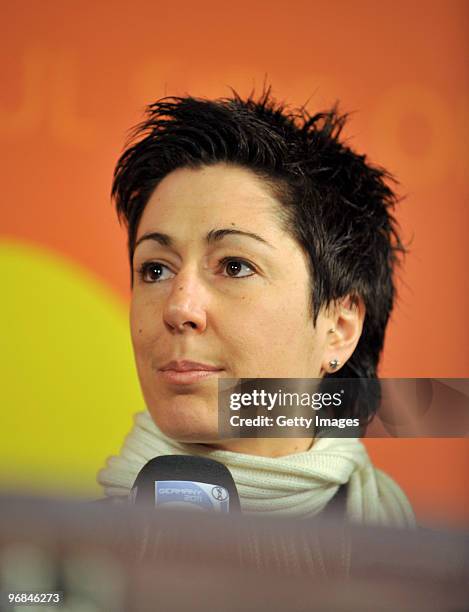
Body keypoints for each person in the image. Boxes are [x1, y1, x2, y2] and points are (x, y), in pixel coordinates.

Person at [97, 88, 415, 527]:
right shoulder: (53, 565)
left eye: (234, 266)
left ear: (339, 328)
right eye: (155, 270)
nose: (179, 307)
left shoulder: (424, 577)